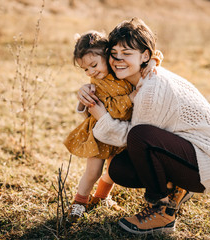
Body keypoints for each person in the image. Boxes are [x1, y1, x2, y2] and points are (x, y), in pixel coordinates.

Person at [78, 18, 210, 234]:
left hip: (209, 163)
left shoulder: (151, 88)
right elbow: (107, 88)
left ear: (145, 56)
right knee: (119, 168)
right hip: (188, 154)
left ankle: (162, 212)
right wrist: (86, 91)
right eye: (114, 53)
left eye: (127, 53)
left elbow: (133, 139)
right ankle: (176, 188)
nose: (118, 60)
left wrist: (102, 116)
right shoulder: (138, 76)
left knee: (140, 136)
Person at [63, 30, 163, 222]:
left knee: (111, 171)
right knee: (93, 171)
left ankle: (101, 197)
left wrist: (152, 62)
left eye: (93, 65)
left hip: (121, 131)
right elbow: (109, 110)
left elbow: (154, 53)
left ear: (108, 56)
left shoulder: (121, 70)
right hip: (101, 133)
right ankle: (79, 202)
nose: (91, 72)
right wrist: (130, 98)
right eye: (85, 69)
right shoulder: (98, 83)